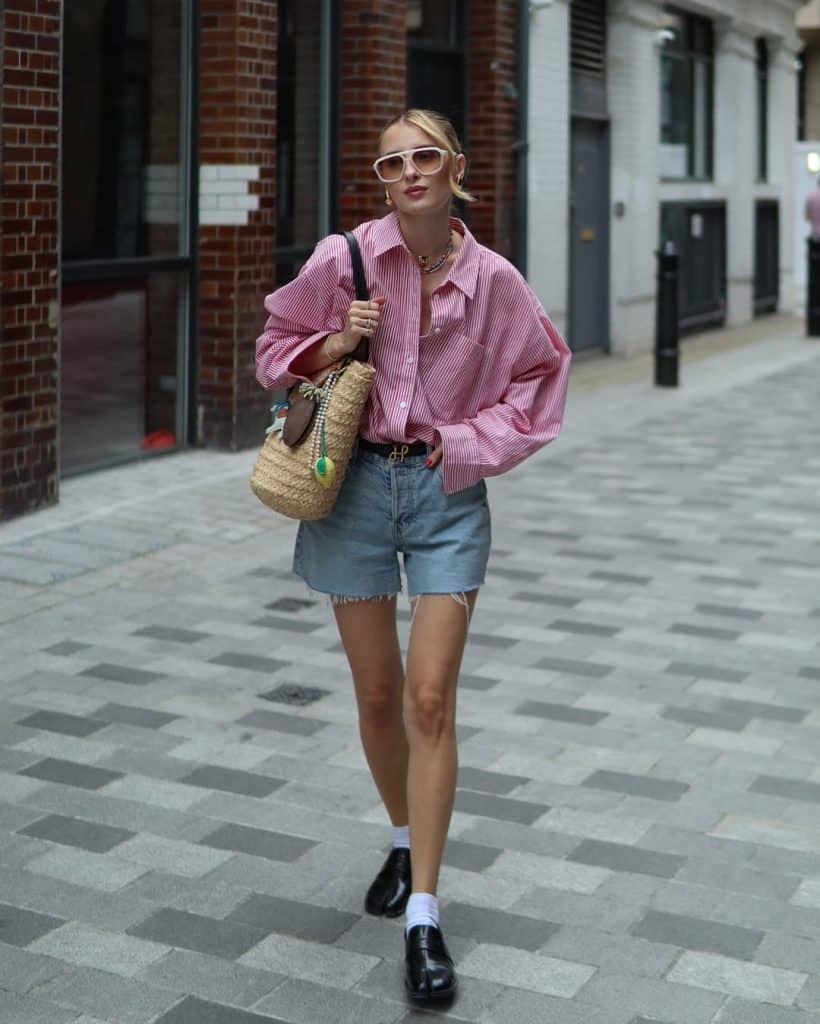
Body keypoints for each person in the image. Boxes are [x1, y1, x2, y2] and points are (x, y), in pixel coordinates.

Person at [255, 108, 571, 1002]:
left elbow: (541, 379)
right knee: (378, 693)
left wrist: (467, 444)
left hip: (444, 496)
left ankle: (425, 916)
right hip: (350, 493)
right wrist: (337, 339)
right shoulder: (342, 259)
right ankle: (402, 835)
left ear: (456, 167)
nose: (410, 171)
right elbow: (272, 356)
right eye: (392, 162)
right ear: (383, 180)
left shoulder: (498, 281)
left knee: (431, 697)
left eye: (425, 155)